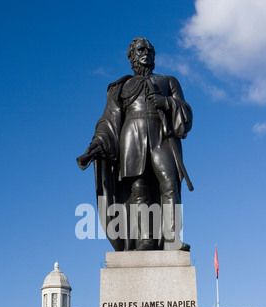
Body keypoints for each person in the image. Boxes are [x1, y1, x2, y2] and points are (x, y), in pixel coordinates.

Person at [77, 37, 193, 251]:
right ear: (131, 55)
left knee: (169, 183)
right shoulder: (121, 86)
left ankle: (171, 238)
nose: (146, 52)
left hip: (161, 137)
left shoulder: (169, 81)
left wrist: (167, 102)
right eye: (141, 49)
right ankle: (145, 239)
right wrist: (97, 143)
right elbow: (109, 119)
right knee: (139, 190)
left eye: (150, 49)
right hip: (131, 136)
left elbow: (185, 112)